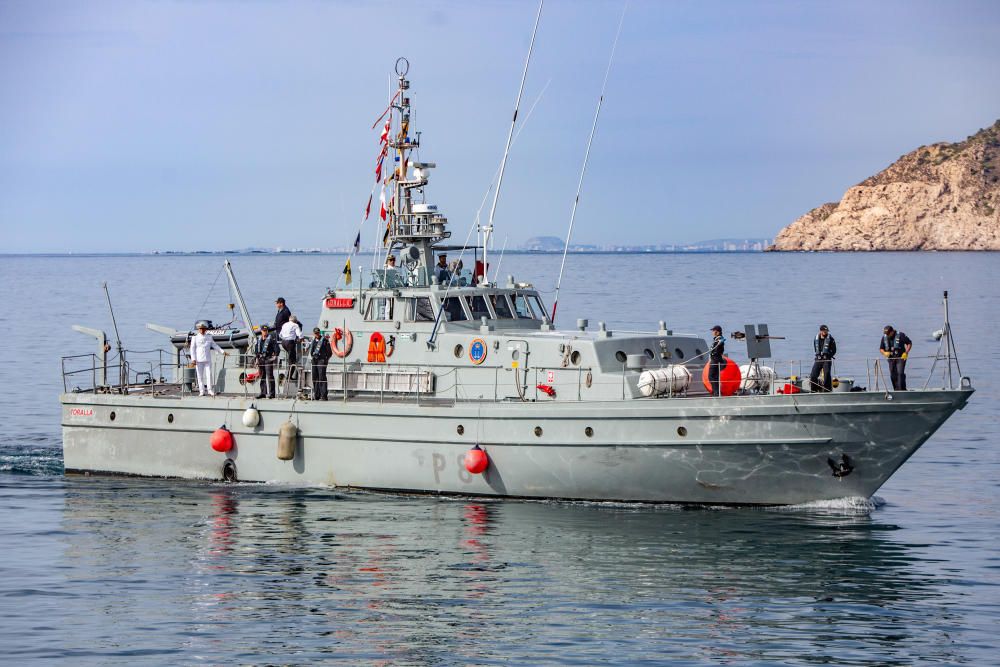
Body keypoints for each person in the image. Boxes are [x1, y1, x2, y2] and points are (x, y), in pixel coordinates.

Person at [189, 322, 227, 396]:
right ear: (198, 330)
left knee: (209, 375)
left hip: (207, 359)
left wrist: (222, 352)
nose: (202, 330)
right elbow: (192, 349)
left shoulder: (209, 337)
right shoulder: (195, 338)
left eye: (203, 329)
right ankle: (202, 391)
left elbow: (214, 345)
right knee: (200, 376)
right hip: (198, 359)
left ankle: (210, 390)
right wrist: (193, 359)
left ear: (205, 329)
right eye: (200, 329)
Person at [880, 325, 912, 390]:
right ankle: (896, 390)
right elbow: (881, 348)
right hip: (891, 359)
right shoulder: (884, 337)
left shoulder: (901, 335)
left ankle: (902, 390)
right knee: (892, 375)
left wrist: (906, 352)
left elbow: (909, 343)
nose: (887, 335)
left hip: (900, 358)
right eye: (886, 334)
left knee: (900, 374)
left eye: (888, 333)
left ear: (892, 331)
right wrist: (884, 353)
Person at [253, 325, 279, 399]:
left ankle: (272, 394)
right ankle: (263, 393)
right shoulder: (259, 340)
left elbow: (277, 349)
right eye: (264, 331)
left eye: (266, 331)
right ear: (261, 331)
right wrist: (257, 359)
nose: (265, 332)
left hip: (268, 359)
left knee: (270, 376)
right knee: (262, 376)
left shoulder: (271, 340)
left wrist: (275, 356)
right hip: (261, 360)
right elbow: (256, 350)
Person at [809, 324, 837, 392]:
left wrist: (828, 355)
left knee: (827, 374)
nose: (826, 332)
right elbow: (815, 348)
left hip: (827, 359)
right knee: (813, 375)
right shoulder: (816, 338)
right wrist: (819, 355)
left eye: (827, 331)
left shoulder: (831, 339)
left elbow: (834, 350)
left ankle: (827, 390)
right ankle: (814, 390)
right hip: (818, 359)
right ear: (821, 331)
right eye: (824, 331)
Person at [308, 327, 333, 400]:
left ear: (319, 333)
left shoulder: (324, 341)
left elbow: (329, 352)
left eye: (318, 333)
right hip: (315, 361)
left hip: (321, 360)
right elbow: (311, 352)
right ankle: (317, 395)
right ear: (314, 333)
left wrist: (325, 360)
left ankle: (324, 395)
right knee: (315, 377)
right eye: (315, 333)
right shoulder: (313, 341)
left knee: (322, 377)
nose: (317, 334)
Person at [279, 315, 303, 379]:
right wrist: (300, 339)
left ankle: (289, 372)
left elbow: (280, 335)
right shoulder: (295, 325)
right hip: (290, 343)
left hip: (283, 343)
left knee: (290, 357)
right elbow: (299, 335)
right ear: (295, 321)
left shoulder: (284, 324)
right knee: (293, 361)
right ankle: (289, 376)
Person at [708, 325, 725, 397]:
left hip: (715, 359)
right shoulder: (717, 339)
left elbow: (718, 348)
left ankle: (716, 392)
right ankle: (717, 391)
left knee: (711, 376)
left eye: (713, 331)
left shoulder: (719, 339)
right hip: (715, 359)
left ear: (717, 332)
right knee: (715, 376)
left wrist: (720, 342)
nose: (712, 332)